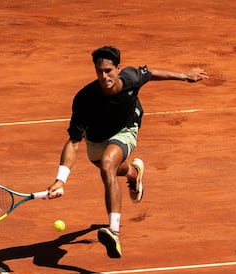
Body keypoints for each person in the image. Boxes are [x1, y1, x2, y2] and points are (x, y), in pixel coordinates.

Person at [45, 45, 208, 258]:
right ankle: (133, 173)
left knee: (107, 165)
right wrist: (60, 179)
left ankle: (114, 232)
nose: (104, 76)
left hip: (126, 127)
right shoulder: (84, 99)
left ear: (118, 68)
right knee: (108, 166)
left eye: (108, 71)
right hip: (96, 138)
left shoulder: (130, 78)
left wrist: (184, 76)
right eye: (99, 72)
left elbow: (151, 73)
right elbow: (74, 142)